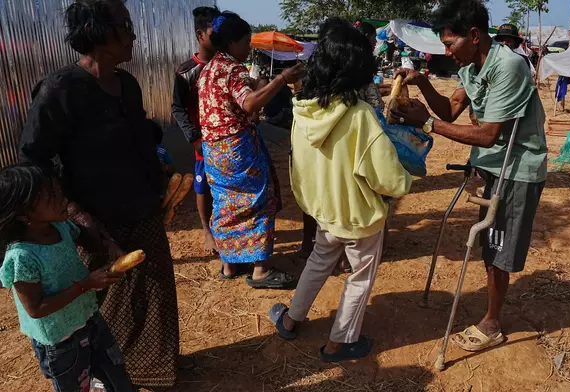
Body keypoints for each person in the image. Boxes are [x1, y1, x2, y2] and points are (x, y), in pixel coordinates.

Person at [19, 0, 180, 387]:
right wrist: (77, 217)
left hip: (143, 207)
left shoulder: (127, 83)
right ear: (99, 32)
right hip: (93, 219)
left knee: (153, 293)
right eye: (125, 25)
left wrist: (161, 175)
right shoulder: (61, 89)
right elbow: (33, 159)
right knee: (105, 303)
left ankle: (156, 370)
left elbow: (139, 136)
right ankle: (107, 374)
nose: (134, 34)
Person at [393, 0, 547, 352]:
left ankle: (492, 323)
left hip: (516, 168)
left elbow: (490, 134)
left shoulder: (508, 67)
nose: (447, 51)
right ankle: (492, 310)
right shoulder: (471, 68)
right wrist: (422, 83)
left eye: (450, 44)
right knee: (490, 243)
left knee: (498, 250)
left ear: (474, 36)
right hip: (491, 165)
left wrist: (429, 124)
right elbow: (451, 108)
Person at [269, 18, 412, 362]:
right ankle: (340, 342)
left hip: (324, 209)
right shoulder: (360, 115)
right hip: (360, 215)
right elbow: (386, 177)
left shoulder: (304, 108)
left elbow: (297, 163)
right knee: (359, 278)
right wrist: (404, 182)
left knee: (319, 262)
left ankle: (290, 319)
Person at [0, 164, 133, 392]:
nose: (62, 200)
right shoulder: (22, 257)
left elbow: (88, 241)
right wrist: (85, 285)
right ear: (24, 214)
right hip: (60, 342)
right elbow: (36, 308)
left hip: (89, 320)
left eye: (59, 192)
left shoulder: (61, 227)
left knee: (118, 381)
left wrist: (108, 246)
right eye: (52, 196)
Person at [198, 10, 305, 287]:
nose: (248, 48)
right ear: (233, 42)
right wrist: (281, 80)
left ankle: (229, 264)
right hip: (238, 149)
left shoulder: (209, 68)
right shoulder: (233, 68)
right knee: (259, 200)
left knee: (226, 203)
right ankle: (260, 269)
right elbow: (248, 104)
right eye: (246, 42)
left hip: (214, 149)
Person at [172, 6, 220, 257]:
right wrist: (194, 137)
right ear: (201, 35)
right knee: (203, 187)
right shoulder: (186, 71)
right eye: (215, 31)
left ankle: (225, 228)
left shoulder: (227, 66)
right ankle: (207, 231)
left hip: (226, 141)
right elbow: (177, 108)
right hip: (203, 142)